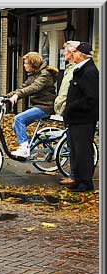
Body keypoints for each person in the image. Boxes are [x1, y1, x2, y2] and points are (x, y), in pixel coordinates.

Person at [6, 52, 58, 158]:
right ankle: (30, 146)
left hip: (46, 106)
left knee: (19, 119)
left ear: (33, 64)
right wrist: (6, 97)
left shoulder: (45, 74)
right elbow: (23, 87)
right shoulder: (33, 75)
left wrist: (17, 95)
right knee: (15, 125)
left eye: (26, 64)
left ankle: (25, 148)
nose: (24, 66)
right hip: (38, 105)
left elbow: (34, 87)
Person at [63, 42, 98, 193]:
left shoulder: (89, 72)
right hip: (75, 119)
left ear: (80, 55)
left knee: (83, 151)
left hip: (83, 119)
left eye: (74, 53)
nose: (72, 55)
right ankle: (77, 180)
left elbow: (91, 98)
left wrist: (72, 108)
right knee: (76, 151)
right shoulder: (81, 70)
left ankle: (85, 183)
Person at [53, 41, 78, 187]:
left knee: (73, 145)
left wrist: (64, 105)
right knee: (70, 144)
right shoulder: (69, 69)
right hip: (65, 109)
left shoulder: (75, 70)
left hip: (70, 111)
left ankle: (75, 175)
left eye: (66, 51)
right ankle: (73, 174)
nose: (63, 54)